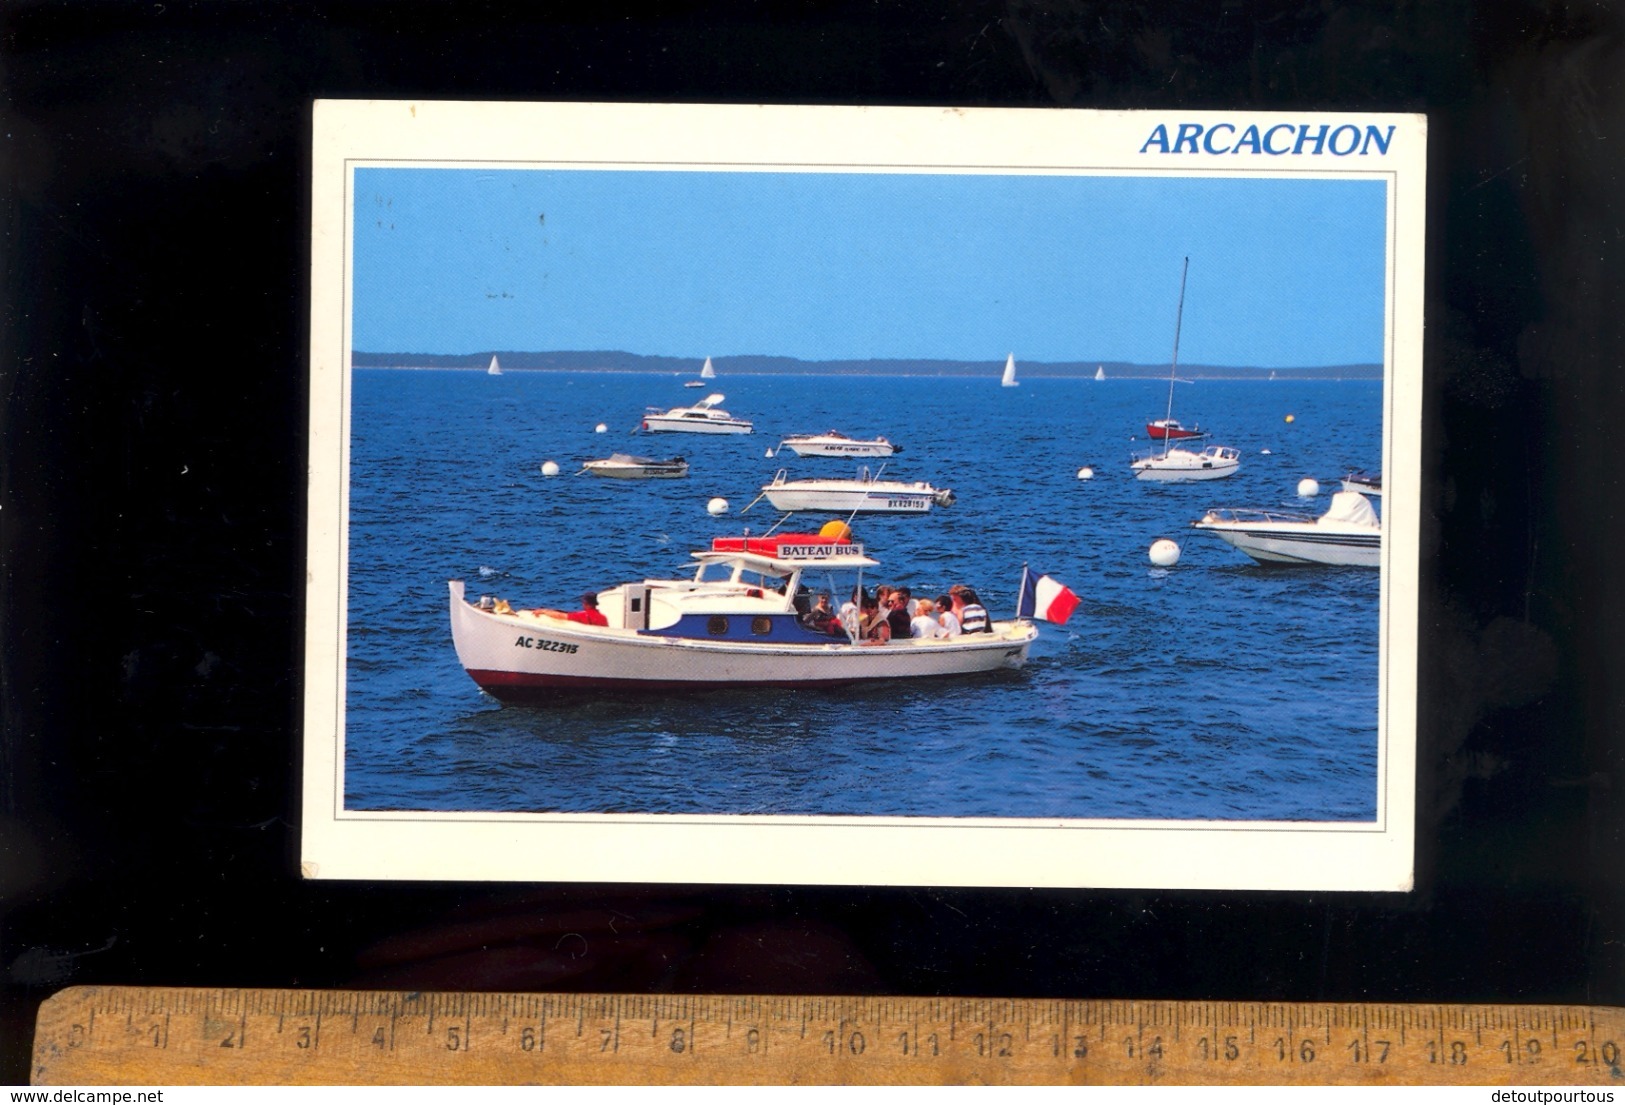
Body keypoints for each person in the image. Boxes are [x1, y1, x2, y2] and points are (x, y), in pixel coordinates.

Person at [531, 591, 609, 627]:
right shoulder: (603, 618)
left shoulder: (583, 615)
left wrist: (544, 611)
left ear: (585, 603)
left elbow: (560, 615)